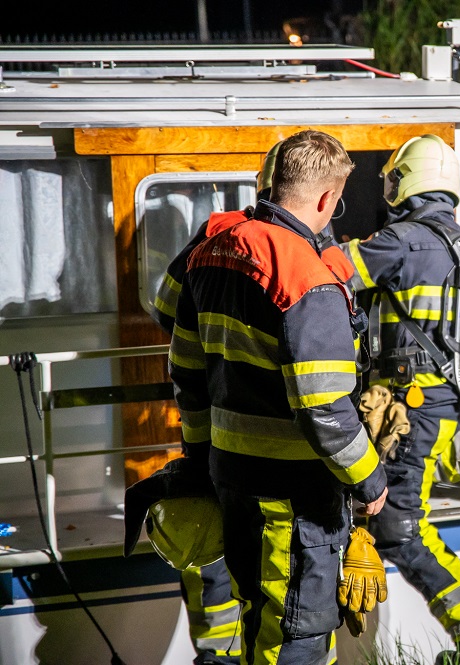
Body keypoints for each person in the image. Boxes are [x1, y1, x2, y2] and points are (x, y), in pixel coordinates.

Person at [168, 129, 388, 665]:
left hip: (232, 481)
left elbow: (187, 372)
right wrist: (368, 479)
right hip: (293, 501)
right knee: (296, 640)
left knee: (256, 624)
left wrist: (201, 457)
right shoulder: (308, 279)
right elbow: (324, 410)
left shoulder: (210, 251)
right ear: (326, 199)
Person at [339, 134, 460, 665]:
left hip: (409, 409)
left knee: (400, 528)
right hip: (444, 400)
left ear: (406, 183)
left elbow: (333, 274)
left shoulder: (401, 242)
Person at [146, 142, 285, 665]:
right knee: (278, 571)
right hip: (285, 439)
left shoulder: (217, 235)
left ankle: (215, 654)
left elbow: (164, 309)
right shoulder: (316, 249)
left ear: (261, 185)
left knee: (213, 529)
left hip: (211, 419)